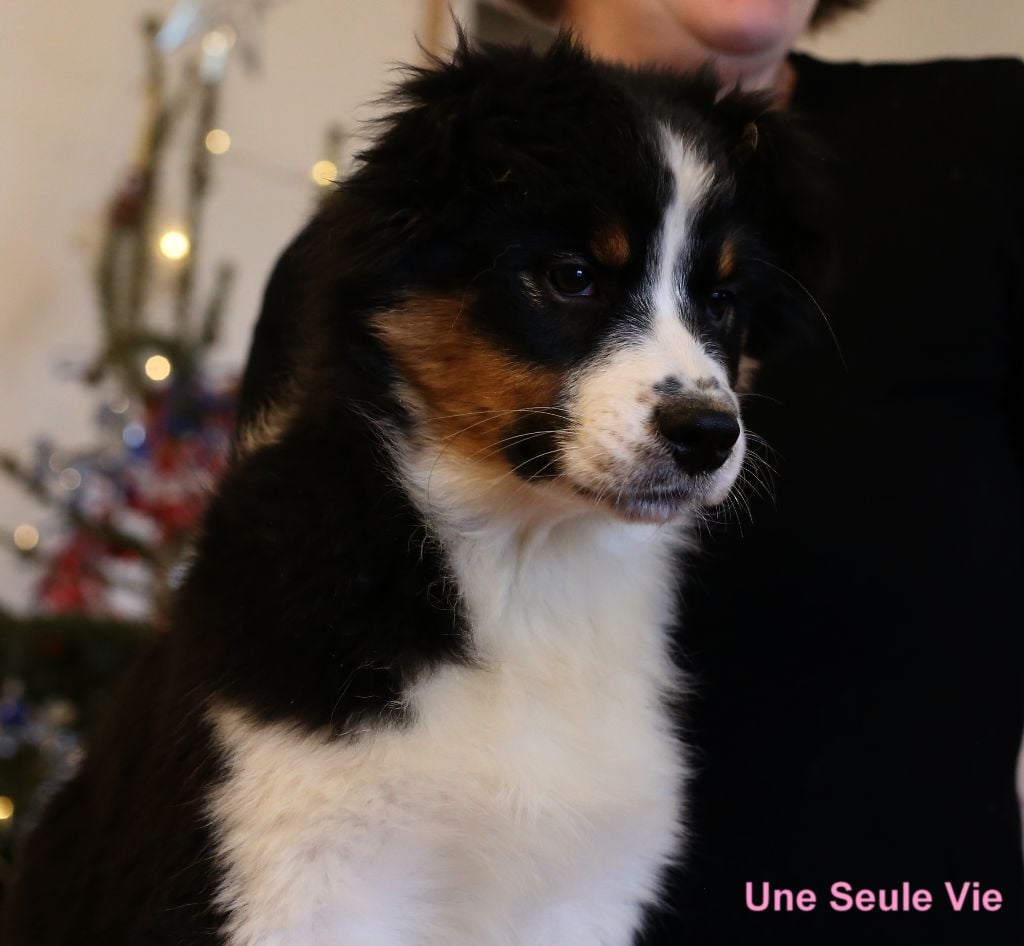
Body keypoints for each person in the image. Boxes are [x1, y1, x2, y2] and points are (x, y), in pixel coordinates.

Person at [237, 2, 1024, 943]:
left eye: (719, 302)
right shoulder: (421, 194)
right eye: (573, 278)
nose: (699, 388)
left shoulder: (982, 146)